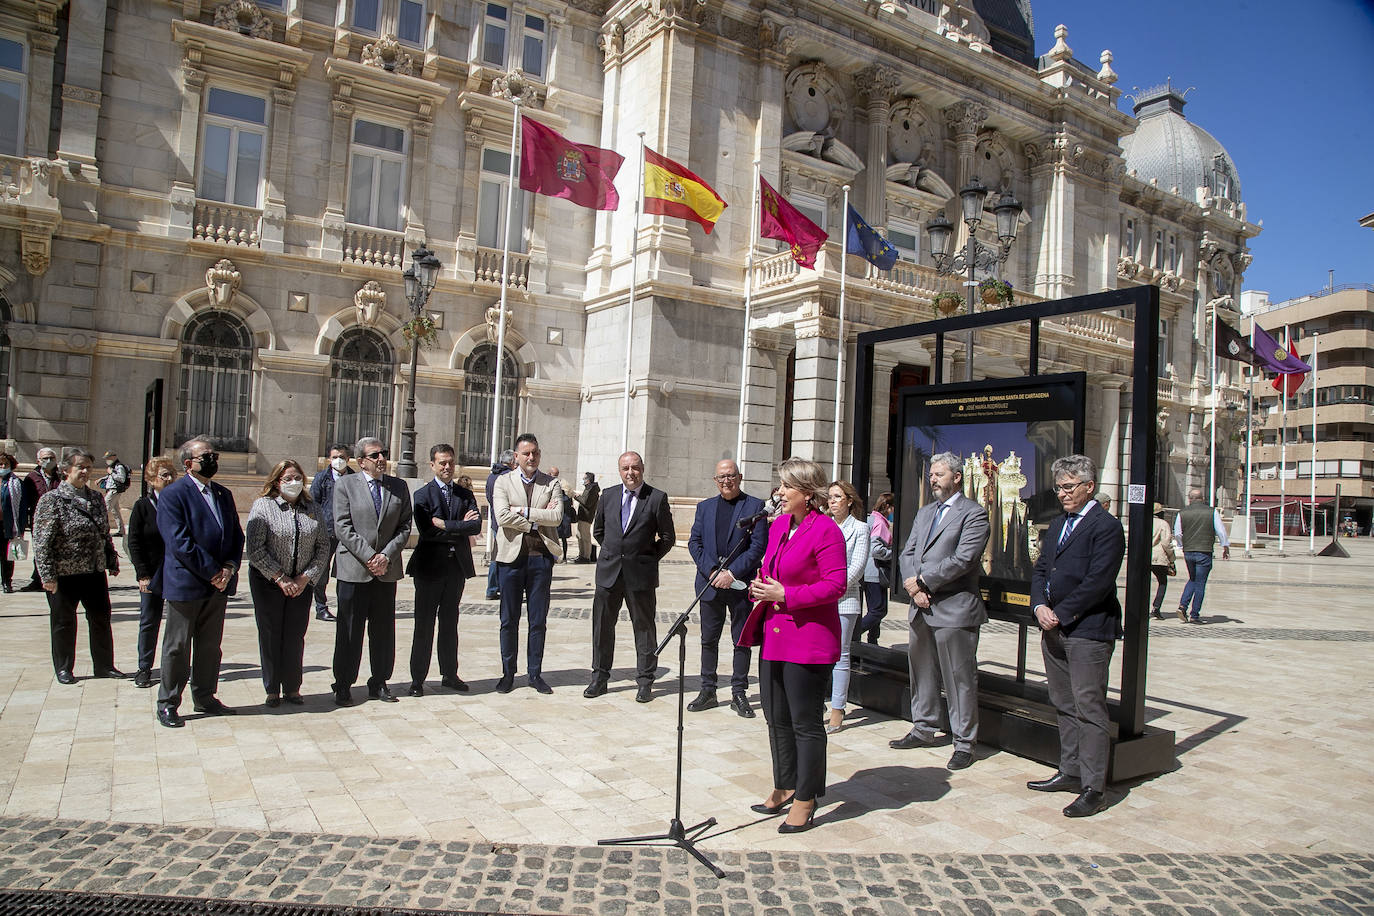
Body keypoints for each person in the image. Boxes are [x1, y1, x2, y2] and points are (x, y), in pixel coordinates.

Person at [743, 457, 847, 834]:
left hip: (809, 639)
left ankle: (806, 796)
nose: (779, 492)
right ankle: (785, 784)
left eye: (786, 486)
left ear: (807, 492)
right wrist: (761, 584)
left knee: (805, 723)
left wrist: (787, 593)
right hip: (774, 634)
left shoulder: (827, 531)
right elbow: (772, 567)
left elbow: (837, 585)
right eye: (780, 485)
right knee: (776, 718)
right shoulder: (779, 526)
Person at [1027, 454, 1125, 818]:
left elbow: (1099, 581)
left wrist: (1062, 614)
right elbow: (1041, 569)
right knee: (1063, 702)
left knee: (1090, 708)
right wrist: (1038, 606)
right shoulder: (1057, 525)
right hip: (1052, 627)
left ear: (1089, 486)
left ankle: (1093, 786)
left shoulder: (1106, 526)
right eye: (1059, 487)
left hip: (1087, 630)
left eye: (1069, 487)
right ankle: (1069, 770)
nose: (1063, 494)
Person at [888, 453, 991, 770]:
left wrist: (923, 584)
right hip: (920, 608)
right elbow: (907, 552)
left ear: (957, 477)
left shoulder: (974, 514)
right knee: (922, 673)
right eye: (931, 474)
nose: (933, 479)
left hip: (954, 608)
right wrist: (913, 588)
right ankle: (924, 727)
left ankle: (964, 742)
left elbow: (964, 559)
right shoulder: (925, 512)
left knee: (959, 679)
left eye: (939, 474)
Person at [154, 437, 244, 727]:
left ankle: (205, 695)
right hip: (187, 584)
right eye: (206, 455)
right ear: (188, 463)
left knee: (209, 646)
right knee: (177, 647)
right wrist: (212, 572)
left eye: (214, 454)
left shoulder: (223, 494)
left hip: (218, 586)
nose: (212, 459)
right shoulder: (174, 494)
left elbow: (235, 535)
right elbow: (180, 542)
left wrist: (229, 567)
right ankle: (168, 702)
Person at [585, 450, 676, 703]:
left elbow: (668, 538)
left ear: (642, 469)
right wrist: (616, 554)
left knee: (644, 629)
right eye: (625, 468)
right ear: (619, 471)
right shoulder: (609, 495)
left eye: (635, 467)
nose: (630, 473)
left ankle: (646, 681)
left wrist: (646, 559)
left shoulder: (656, 498)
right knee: (602, 627)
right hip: (609, 574)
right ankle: (599, 678)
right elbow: (599, 531)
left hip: (640, 576)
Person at [330, 437, 412, 706]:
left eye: (384, 453)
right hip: (354, 569)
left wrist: (385, 556)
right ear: (361, 461)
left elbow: (404, 526)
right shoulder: (345, 486)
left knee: (383, 630)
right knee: (350, 630)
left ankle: (379, 681)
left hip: (385, 571)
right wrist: (369, 556)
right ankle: (342, 683)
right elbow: (343, 526)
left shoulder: (398, 487)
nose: (381, 459)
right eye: (375, 455)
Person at [31, 449, 124, 684]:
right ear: (65, 470)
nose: (85, 472)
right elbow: (42, 542)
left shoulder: (95, 498)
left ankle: (104, 665)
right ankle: (64, 668)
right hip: (64, 574)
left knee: (100, 618)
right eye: (80, 467)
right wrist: (47, 576)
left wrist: (111, 559)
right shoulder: (51, 500)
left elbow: (104, 533)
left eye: (88, 468)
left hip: (93, 571)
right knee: (63, 622)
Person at [246, 460, 331, 707]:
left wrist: (304, 579)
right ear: (276, 482)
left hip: (301, 583)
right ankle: (272, 688)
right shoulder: (263, 506)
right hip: (268, 581)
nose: (293, 483)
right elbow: (255, 549)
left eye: (297, 477)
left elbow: (323, 546)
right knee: (271, 634)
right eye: (287, 479)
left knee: (295, 635)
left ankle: (292, 687)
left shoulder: (312, 508)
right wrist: (281, 578)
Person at [686, 458, 767, 717]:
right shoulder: (705, 507)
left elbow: (757, 548)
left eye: (731, 476)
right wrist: (712, 571)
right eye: (721, 477)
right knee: (708, 640)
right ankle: (708, 690)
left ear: (740, 477)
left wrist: (731, 574)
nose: (726, 481)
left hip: (740, 585)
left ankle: (738, 693)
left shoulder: (755, 506)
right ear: (715, 480)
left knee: (740, 641)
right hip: (710, 584)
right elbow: (694, 542)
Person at [405, 444, 482, 697]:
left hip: (456, 568)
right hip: (429, 567)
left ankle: (450, 674)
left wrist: (446, 524)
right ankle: (418, 678)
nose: (447, 467)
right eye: (441, 463)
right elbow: (428, 530)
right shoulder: (423, 495)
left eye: (450, 462)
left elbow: (475, 526)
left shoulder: (464, 493)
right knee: (424, 624)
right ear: (432, 465)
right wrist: (458, 526)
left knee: (450, 623)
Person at [492, 434, 563, 694]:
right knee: (508, 619)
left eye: (535, 453)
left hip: (540, 559)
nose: (531, 458)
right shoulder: (503, 481)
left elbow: (556, 517)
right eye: (526, 453)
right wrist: (535, 521)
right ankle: (508, 673)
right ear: (516, 457)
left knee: (537, 620)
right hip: (511, 559)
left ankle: (535, 674)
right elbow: (501, 516)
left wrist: (521, 511)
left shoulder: (551, 483)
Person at [127, 456, 178, 687]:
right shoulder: (142, 506)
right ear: (151, 480)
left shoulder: (180, 505)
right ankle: (144, 667)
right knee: (149, 619)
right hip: (152, 573)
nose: (169, 479)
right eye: (164, 475)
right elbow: (134, 542)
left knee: (179, 622)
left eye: (172, 475)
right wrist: (142, 574)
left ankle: (176, 667)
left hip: (177, 573)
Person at [825, 480, 869, 734]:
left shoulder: (860, 529)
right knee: (819, 651)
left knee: (840, 654)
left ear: (849, 500)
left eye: (838, 496)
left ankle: (838, 708)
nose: (832, 501)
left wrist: (831, 587)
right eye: (830, 496)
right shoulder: (823, 526)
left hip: (844, 598)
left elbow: (856, 567)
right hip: (820, 598)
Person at [309, 444, 354, 621]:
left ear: (348, 459)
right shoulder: (322, 478)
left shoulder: (354, 478)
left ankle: (347, 607)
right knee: (321, 572)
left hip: (348, 533)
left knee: (345, 572)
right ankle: (321, 607)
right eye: (335, 457)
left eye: (342, 457)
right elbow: (313, 504)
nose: (338, 460)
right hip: (326, 532)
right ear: (329, 459)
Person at [1173, 488, 1230, 624]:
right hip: (1204, 551)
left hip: (1189, 552)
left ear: (1189, 498)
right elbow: (1220, 531)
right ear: (1202, 498)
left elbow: (1178, 533)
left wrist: (1182, 546)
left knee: (1192, 579)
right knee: (1200, 583)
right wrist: (1225, 547)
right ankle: (1194, 614)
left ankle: (1183, 605)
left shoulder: (1182, 513)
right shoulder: (1211, 512)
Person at [20, 447, 63, 591]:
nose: (49, 461)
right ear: (38, 461)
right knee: (40, 549)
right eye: (45, 458)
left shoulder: (62, 476)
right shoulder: (31, 478)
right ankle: (38, 579)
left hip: (60, 519)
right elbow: (25, 500)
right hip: (38, 520)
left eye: (51, 458)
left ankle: (55, 578)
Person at [854, 492, 894, 645]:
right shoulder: (880, 522)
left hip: (867, 571)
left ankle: (872, 640)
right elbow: (876, 549)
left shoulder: (871, 519)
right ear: (888, 507)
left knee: (873, 609)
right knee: (879, 610)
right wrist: (893, 553)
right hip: (875, 572)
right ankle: (855, 634)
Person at [484, 449, 516, 599]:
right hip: (505, 522)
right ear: (511, 462)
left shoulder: (491, 477)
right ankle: (499, 588)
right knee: (504, 557)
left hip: (496, 520)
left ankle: (492, 588)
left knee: (496, 556)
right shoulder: (507, 477)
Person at [0, 452, 29, 593]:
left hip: (8, 525)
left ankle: (7, 582)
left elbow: (22, 508)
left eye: (6, 464)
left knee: (8, 556)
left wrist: (21, 528)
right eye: (1, 464)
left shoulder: (16, 483)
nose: (3, 466)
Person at [1149, 503, 1176, 620]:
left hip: (1145, 556)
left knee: (1143, 584)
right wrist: (1172, 559)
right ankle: (1156, 607)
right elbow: (1166, 543)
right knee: (1162, 582)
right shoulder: (1163, 524)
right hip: (1158, 557)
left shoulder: (1145, 521)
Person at [101, 450, 132, 538]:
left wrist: (112, 473)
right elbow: (111, 477)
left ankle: (102, 529)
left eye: (108, 458)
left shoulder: (119, 466)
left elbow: (121, 478)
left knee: (105, 509)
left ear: (113, 457)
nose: (106, 460)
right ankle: (121, 530)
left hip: (114, 491)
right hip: (112, 490)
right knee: (115, 512)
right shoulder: (113, 466)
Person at [574, 471, 600, 562]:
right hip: (582, 516)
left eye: (584, 478)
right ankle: (581, 555)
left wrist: (576, 497)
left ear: (588, 480)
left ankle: (586, 556)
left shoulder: (592, 489)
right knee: (579, 535)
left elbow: (586, 502)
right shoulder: (588, 488)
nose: (583, 480)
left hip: (586, 516)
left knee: (585, 537)